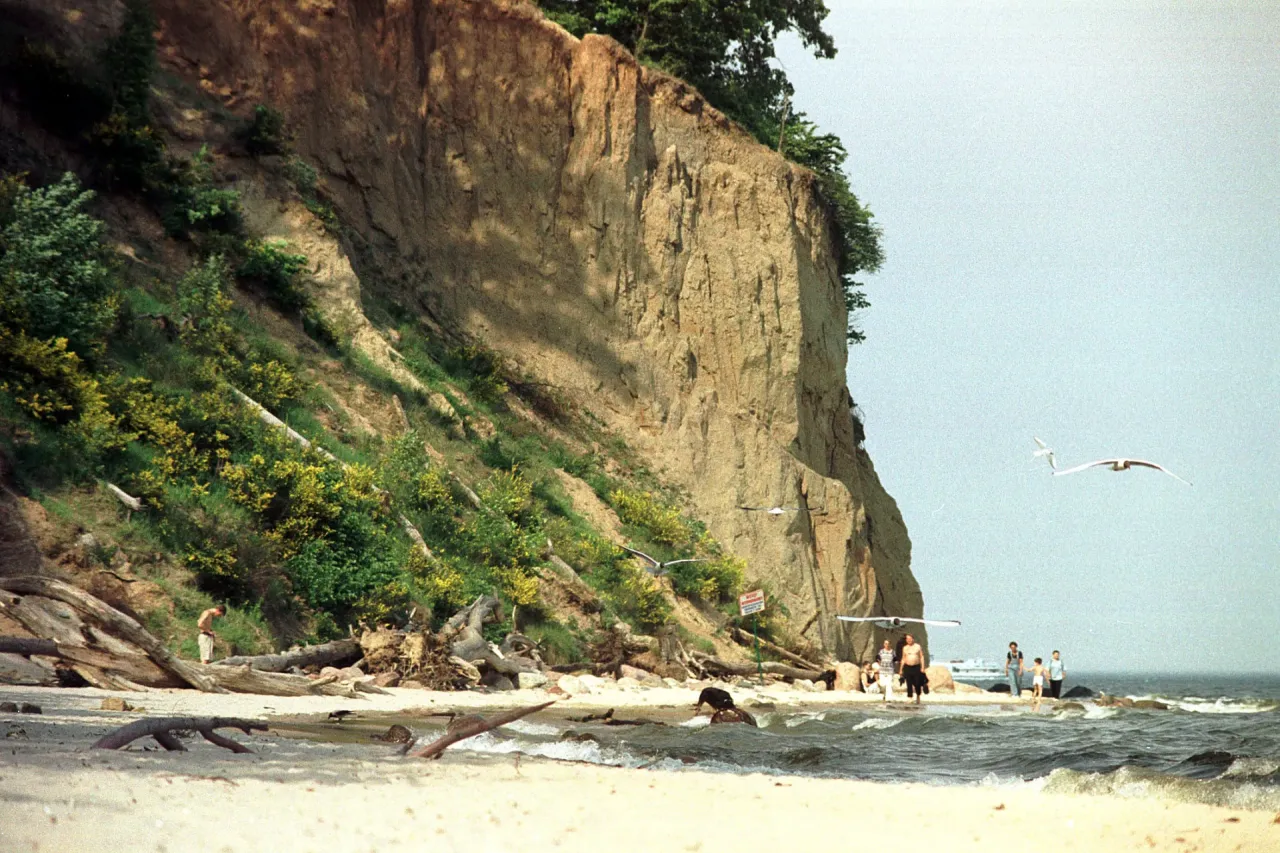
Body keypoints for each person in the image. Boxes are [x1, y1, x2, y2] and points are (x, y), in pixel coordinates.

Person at [898, 633, 927, 704]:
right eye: (907, 639)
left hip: (916, 667)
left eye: (910, 639)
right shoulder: (905, 648)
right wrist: (901, 669)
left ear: (913, 639)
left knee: (917, 683)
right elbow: (903, 659)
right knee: (909, 682)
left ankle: (918, 696)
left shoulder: (917, 646)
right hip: (907, 667)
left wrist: (922, 667)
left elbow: (921, 657)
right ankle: (910, 697)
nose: (908, 640)